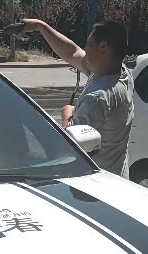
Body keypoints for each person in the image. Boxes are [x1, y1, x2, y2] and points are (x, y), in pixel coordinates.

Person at [20, 18, 134, 177]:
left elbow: (70, 143)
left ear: (103, 47)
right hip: (118, 177)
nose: (85, 49)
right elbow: (72, 52)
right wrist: (41, 27)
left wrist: (67, 113)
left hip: (97, 183)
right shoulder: (122, 74)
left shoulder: (99, 98)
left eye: (88, 44)